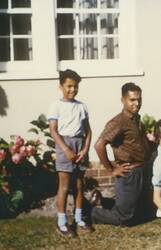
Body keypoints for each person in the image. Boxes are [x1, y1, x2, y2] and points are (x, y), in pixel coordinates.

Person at [92, 82, 152, 226]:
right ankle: (90, 212)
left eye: (139, 99)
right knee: (125, 218)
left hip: (141, 170)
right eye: (132, 100)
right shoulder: (119, 121)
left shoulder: (136, 119)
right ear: (123, 100)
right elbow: (99, 145)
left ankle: (103, 202)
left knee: (140, 213)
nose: (137, 103)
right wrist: (112, 170)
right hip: (129, 172)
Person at [48, 69, 93, 236]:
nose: (72, 90)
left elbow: (88, 131)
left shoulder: (82, 106)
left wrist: (85, 149)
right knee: (65, 186)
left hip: (80, 146)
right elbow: (53, 131)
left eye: (75, 87)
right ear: (61, 86)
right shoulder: (56, 105)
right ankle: (62, 223)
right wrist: (65, 149)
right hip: (64, 145)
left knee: (79, 185)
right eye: (69, 86)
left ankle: (79, 218)